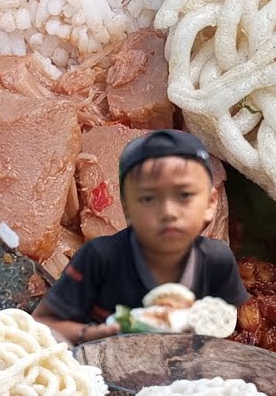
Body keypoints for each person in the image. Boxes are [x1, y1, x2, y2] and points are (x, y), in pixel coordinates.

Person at [33, 129, 249, 345]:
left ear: (210, 204)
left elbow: (230, 323)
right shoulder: (99, 257)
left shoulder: (217, 260)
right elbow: (42, 325)